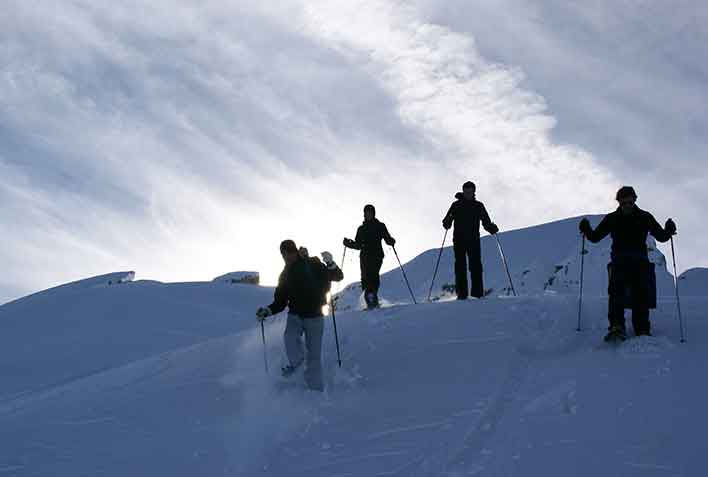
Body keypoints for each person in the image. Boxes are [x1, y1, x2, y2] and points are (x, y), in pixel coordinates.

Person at [579, 186, 676, 342]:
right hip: (621, 261)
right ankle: (618, 326)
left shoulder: (644, 217)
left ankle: (641, 328)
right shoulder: (615, 218)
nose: (627, 206)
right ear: (619, 202)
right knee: (617, 293)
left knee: (640, 294)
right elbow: (595, 237)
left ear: (634, 200)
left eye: (629, 202)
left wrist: (668, 231)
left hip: (638, 261)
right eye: (624, 203)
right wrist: (587, 229)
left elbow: (661, 236)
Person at [256, 240, 343, 391]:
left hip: (315, 316)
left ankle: (315, 390)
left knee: (314, 356)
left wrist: (330, 262)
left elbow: (337, 276)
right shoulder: (285, 275)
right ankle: (297, 364)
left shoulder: (313, 263)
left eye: (289, 252)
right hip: (295, 315)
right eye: (284, 254)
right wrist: (267, 311)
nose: (287, 256)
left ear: (295, 251)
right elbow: (280, 302)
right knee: (289, 338)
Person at [442, 181, 499, 299]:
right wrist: (447, 222)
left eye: (470, 191)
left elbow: (485, 221)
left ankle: (477, 294)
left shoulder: (478, 206)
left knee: (476, 266)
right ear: (463, 191)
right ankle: (462, 294)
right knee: (460, 266)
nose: (468, 193)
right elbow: (446, 221)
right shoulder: (456, 205)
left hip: (474, 240)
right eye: (466, 191)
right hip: (459, 240)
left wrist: (491, 228)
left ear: (474, 192)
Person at [343, 204, 396, 309]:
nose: (368, 214)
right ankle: (369, 299)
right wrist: (349, 243)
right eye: (366, 212)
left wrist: (391, 241)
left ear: (374, 213)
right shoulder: (361, 229)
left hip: (377, 255)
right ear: (364, 214)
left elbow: (387, 238)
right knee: (365, 278)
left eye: (370, 212)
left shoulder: (380, 226)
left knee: (373, 275)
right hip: (364, 256)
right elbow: (357, 245)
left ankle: (372, 297)